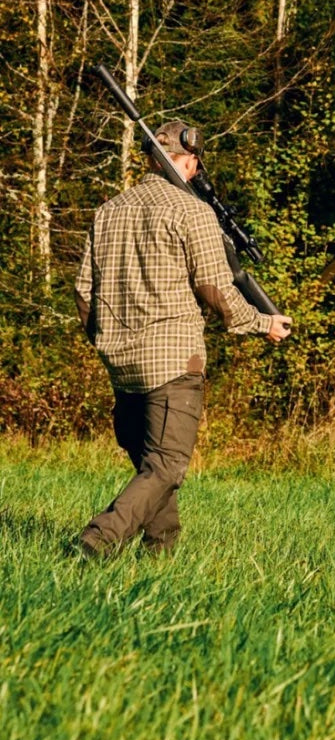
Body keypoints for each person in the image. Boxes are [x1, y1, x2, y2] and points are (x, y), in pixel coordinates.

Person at [74, 120, 292, 557]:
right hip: (174, 361)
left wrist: (106, 341)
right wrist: (263, 323)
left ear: (153, 159)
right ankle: (96, 540)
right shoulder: (193, 211)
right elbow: (217, 289)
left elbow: (83, 291)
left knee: (153, 469)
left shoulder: (109, 210)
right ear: (189, 162)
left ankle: (160, 557)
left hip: (121, 363)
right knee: (168, 466)